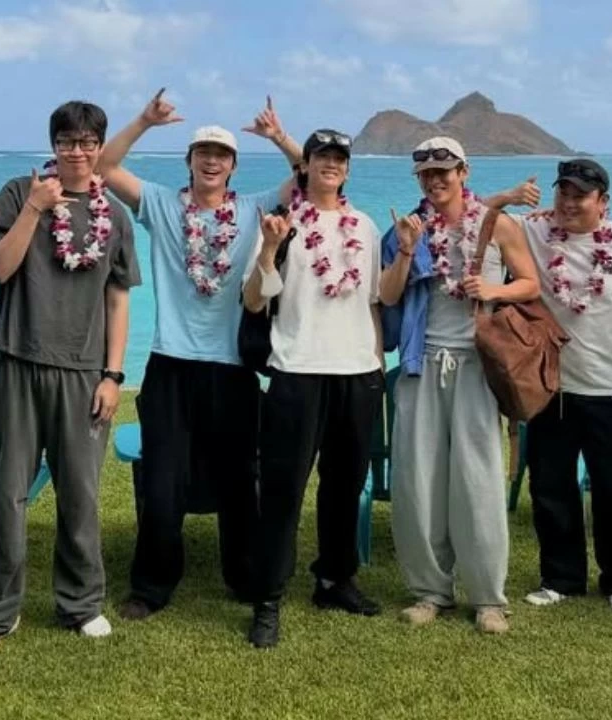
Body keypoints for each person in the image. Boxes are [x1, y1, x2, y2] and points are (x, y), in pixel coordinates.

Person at [95, 90, 302, 618]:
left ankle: (245, 577)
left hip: (232, 366)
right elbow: (104, 167)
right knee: (162, 480)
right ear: (189, 161)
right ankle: (151, 587)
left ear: (233, 166)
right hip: (170, 362)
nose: (212, 161)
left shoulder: (254, 209)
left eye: (222, 155)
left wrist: (279, 137)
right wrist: (144, 120)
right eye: (203, 153)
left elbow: (311, 175)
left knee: (239, 481)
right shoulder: (162, 204)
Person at [0, 101, 142, 655]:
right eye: (66, 141)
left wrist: (113, 374)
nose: (77, 151)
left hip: (84, 373)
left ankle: (81, 603)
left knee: (81, 496)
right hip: (17, 361)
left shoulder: (115, 215)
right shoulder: (20, 193)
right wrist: (35, 210)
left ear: (99, 147)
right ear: (53, 145)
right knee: (4, 494)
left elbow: (118, 299)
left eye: (87, 142)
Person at [379, 137, 539, 634]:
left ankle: (488, 596)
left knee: (478, 478)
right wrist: (407, 251)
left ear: (463, 172)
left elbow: (530, 283)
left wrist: (493, 288)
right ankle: (430, 591)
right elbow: (387, 295)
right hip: (420, 362)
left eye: (443, 171)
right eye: (426, 173)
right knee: (418, 478)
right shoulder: (407, 228)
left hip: (476, 364)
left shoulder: (497, 224)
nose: (435, 180)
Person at [491, 159, 612, 612]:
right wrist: (508, 198)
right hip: (550, 387)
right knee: (550, 485)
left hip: (608, 389)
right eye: (562, 192)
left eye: (580, 195)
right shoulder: (535, 232)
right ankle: (561, 577)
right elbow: (476, 218)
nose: (568, 202)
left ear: (604, 202)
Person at [241, 129, 384, 648]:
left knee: (345, 485)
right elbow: (254, 301)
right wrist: (269, 248)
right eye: (321, 156)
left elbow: (372, 301)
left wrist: (376, 363)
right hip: (297, 370)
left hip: (357, 373)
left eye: (339, 158)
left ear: (347, 170)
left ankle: (334, 579)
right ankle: (268, 597)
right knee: (283, 490)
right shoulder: (283, 223)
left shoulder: (364, 226)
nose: (331, 164)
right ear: (305, 166)